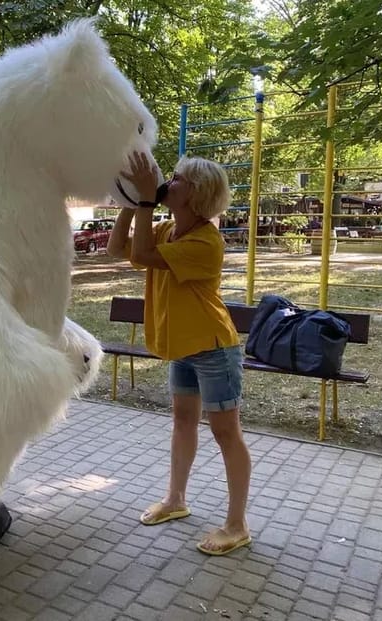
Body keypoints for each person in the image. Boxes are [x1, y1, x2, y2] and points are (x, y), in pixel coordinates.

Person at [106, 152, 252, 556]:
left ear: (196, 193)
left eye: (177, 179)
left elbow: (140, 256)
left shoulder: (205, 242)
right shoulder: (169, 229)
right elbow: (117, 248)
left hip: (214, 348)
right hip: (184, 347)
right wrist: (132, 200)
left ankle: (237, 524)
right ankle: (176, 499)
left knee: (225, 433)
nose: (169, 182)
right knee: (183, 422)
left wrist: (146, 202)